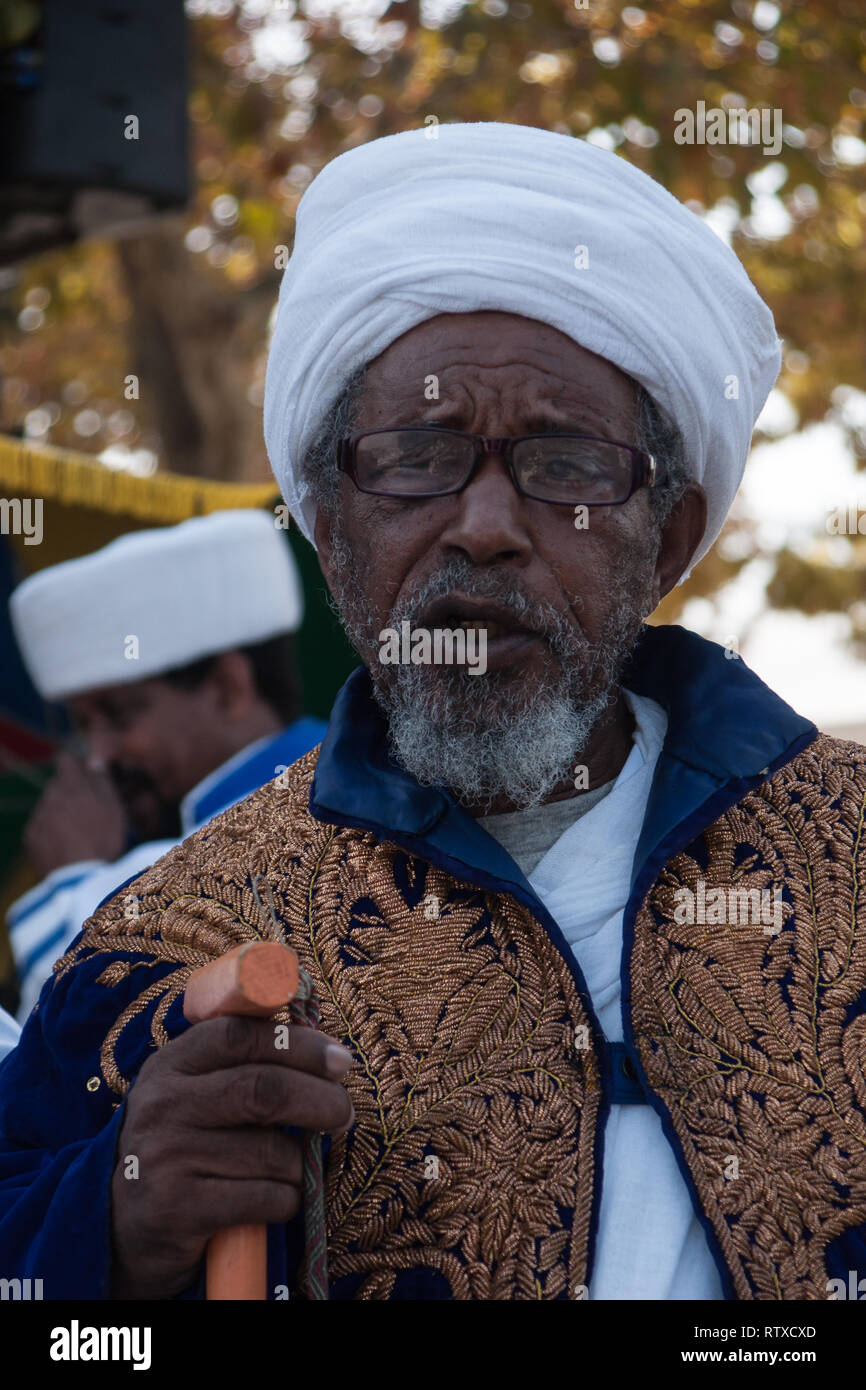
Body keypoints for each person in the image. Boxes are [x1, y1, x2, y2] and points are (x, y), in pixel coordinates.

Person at [0, 122, 864, 1302]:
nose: (485, 525)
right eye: (417, 455)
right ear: (328, 524)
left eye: (562, 465)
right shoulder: (161, 948)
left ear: (662, 538)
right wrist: (115, 1224)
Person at [6, 508, 325, 1019]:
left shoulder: (300, 826)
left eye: (117, 714)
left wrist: (72, 882)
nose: (100, 754)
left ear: (228, 688)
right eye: (85, 726)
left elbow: (86, 1070)